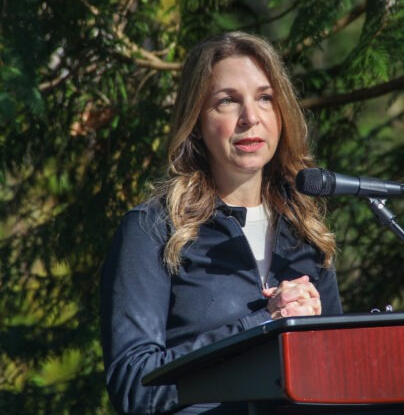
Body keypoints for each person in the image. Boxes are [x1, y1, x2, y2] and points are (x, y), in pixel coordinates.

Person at [100, 31, 343, 414]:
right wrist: (262, 325)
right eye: (227, 101)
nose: (251, 117)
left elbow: (336, 382)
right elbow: (135, 386)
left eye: (265, 98)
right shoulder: (153, 229)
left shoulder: (306, 232)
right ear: (196, 119)